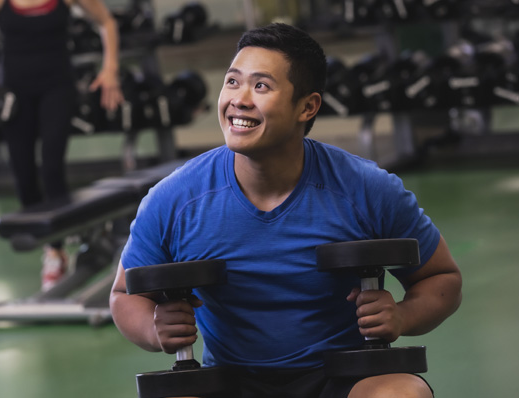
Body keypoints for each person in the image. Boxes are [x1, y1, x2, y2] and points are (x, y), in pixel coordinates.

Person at [109, 23, 462, 397]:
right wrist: (153, 328)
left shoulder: (366, 188)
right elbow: (124, 295)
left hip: (342, 377)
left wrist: (402, 316)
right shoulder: (174, 198)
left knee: (403, 394)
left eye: (261, 86)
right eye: (232, 82)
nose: (240, 99)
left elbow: (441, 278)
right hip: (230, 382)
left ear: (307, 106)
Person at [0, 0, 124, 290]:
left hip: (57, 85)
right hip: (15, 92)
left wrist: (110, 70)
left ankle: (57, 248)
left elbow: (107, 22)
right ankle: (53, 247)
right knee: (23, 171)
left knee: (52, 165)